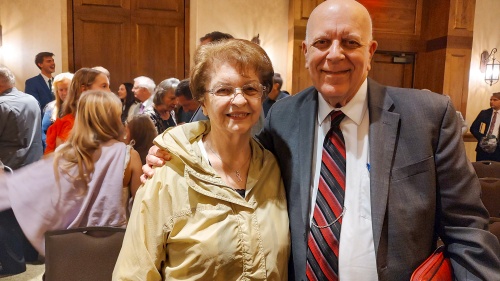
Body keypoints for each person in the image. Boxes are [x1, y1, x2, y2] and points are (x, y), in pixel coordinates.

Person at [144, 1, 500, 280]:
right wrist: (172, 151)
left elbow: (466, 230)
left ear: (371, 51)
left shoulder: (428, 116)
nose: (334, 54)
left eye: (350, 42)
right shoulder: (280, 118)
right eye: (322, 43)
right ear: (305, 52)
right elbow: (224, 139)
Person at [113, 39, 290, 280]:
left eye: (250, 89)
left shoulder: (273, 167)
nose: (239, 100)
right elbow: (133, 274)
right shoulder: (167, 173)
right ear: (203, 102)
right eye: (224, 90)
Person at [0, 90, 142, 257]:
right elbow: (141, 206)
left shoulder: (63, 154)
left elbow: (28, 188)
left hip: (70, 245)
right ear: (114, 119)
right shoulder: (128, 155)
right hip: (114, 243)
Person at [0, 65, 43, 275]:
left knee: (6, 218)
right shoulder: (31, 100)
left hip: (9, 168)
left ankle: (13, 263)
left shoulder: (1, 105)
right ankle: (31, 254)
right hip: (33, 164)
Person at [45, 67, 110, 154]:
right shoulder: (70, 124)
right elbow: (63, 161)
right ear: (84, 89)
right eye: (104, 86)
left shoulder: (102, 119)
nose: (109, 91)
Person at [41, 72, 74, 148]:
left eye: (67, 89)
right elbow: (44, 133)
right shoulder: (51, 108)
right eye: (61, 90)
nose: (64, 93)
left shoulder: (81, 107)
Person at [470, 91, 500, 161]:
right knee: (481, 170)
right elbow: (473, 128)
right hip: (483, 148)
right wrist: (482, 138)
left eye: (495, 100)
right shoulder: (484, 113)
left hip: (498, 149)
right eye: (491, 100)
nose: (492, 102)